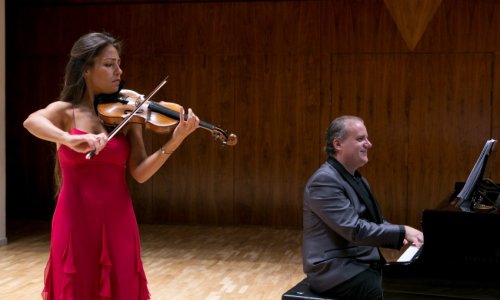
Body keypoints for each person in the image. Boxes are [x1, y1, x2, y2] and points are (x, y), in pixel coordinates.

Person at [23, 32, 200, 300]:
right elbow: (32, 121)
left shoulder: (127, 117)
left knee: (122, 287)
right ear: (85, 69)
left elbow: (140, 173)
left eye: (118, 63)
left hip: (118, 220)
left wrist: (175, 140)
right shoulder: (65, 111)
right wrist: (66, 139)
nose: (119, 71)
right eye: (109, 64)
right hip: (75, 221)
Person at [302, 115, 424, 300]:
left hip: (359, 264)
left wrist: (408, 234)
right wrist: (401, 231)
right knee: (393, 295)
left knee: (415, 287)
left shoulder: (356, 178)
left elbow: (374, 221)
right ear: (338, 144)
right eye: (360, 139)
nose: (369, 144)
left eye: (366, 138)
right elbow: (355, 230)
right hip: (335, 271)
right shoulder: (324, 181)